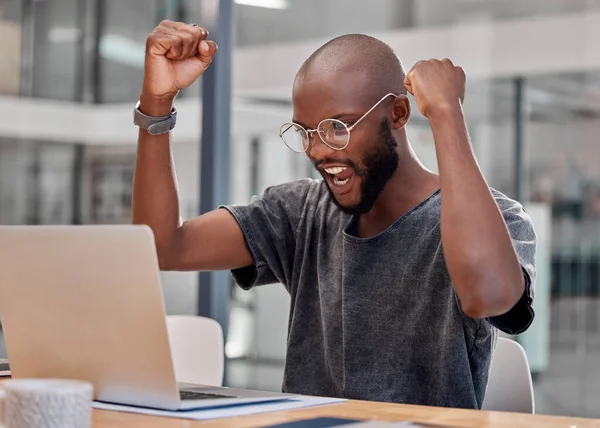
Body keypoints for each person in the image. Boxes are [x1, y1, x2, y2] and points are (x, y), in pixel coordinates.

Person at [132, 20, 536, 409]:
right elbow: (164, 246)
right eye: (306, 132)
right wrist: (156, 105)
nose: (319, 150)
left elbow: (488, 296)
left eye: (338, 127)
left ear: (397, 114)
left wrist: (447, 113)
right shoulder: (301, 212)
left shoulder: (494, 219)